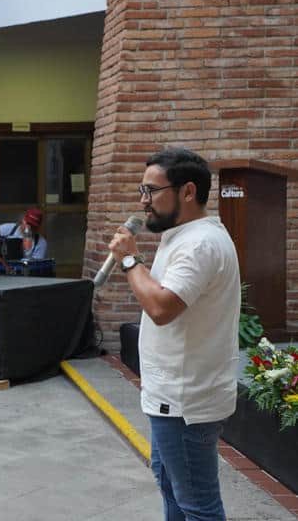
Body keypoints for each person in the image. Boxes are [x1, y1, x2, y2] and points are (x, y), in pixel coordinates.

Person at [108, 147, 240, 521]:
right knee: (171, 487)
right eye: (142, 190)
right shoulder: (183, 236)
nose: (143, 201)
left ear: (187, 191)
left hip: (186, 402)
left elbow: (162, 308)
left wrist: (130, 260)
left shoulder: (199, 244)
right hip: (172, 397)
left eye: (152, 190)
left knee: (198, 505)